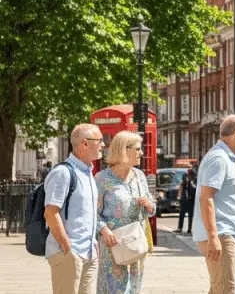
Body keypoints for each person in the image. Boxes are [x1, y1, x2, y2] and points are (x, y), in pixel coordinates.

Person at [192, 115, 235, 294]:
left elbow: (222, 198)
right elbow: (206, 198)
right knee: (226, 289)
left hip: (224, 232)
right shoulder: (219, 159)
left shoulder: (227, 158)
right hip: (221, 233)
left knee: (218, 289)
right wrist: (213, 237)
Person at [43, 124, 105, 294]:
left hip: (89, 252)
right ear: (85, 143)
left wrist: (93, 242)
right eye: (99, 140)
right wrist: (67, 247)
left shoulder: (87, 173)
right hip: (69, 253)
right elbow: (50, 212)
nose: (103, 144)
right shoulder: (63, 173)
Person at [95, 131, 156, 294]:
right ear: (124, 149)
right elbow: (93, 213)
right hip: (113, 244)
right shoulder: (102, 179)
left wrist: (149, 205)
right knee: (113, 289)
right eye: (137, 149)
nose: (141, 153)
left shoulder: (139, 176)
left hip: (136, 242)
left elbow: (151, 207)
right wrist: (104, 230)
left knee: (134, 287)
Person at [175, 169, 196, 234]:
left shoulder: (194, 181)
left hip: (190, 201)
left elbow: (195, 190)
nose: (188, 176)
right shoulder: (184, 181)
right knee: (182, 214)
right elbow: (180, 188)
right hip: (184, 200)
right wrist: (179, 197)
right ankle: (180, 228)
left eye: (189, 175)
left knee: (190, 215)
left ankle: (189, 229)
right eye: (188, 175)